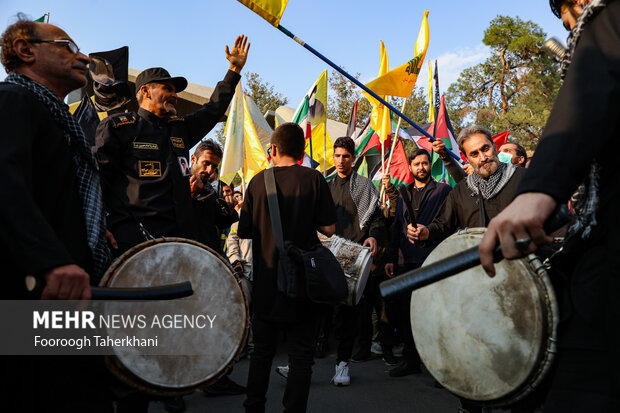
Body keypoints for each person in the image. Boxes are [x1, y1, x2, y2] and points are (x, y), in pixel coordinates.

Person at [480, 0, 620, 411]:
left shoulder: (607, 21)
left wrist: (536, 192)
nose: (574, 30)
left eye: (571, 20)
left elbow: (594, 85)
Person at [0, 15, 112, 412]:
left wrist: (91, 228)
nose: (82, 57)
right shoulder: (11, 100)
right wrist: (49, 260)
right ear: (25, 50)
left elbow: (48, 192)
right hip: (36, 297)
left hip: (68, 295)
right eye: (67, 46)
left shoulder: (55, 118)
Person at [95, 35, 249, 254]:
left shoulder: (180, 129)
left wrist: (233, 70)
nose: (175, 96)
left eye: (175, 91)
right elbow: (97, 178)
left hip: (178, 244)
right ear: (145, 91)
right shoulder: (120, 128)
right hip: (132, 244)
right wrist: (99, 224)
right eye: (167, 89)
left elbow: (213, 109)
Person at [238, 122, 336, 413]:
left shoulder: (257, 182)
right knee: (301, 356)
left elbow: (244, 231)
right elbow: (329, 228)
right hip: (303, 282)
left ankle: (253, 407)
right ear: (302, 151)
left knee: (262, 353)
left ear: (274, 149)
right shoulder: (314, 179)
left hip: (267, 282)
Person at [383, 148, 452, 377]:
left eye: (424, 163)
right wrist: (391, 258)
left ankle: (440, 367)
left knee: (434, 314)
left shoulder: (443, 191)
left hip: (433, 260)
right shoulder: (404, 193)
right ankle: (410, 360)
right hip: (407, 262)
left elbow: (449, 224)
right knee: (407, 314)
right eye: (417, 164)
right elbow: (396, 229)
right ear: (410, 167)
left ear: (429, 165)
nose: (421, 167)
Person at [325, 136, 385, 386]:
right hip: (327, 255)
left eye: (345, 156)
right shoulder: (325, 186)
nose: (341, 160)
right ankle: (300, 362)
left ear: (353, 157)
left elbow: (377, 219)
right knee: (321, 311)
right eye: (337, 155)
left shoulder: (364, 185)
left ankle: (342, 364)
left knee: (348, 314)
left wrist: (372, 237)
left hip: (354, 259)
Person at [407, 125, 527, 245]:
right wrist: (427, 232)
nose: (483, 158)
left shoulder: (524, 178)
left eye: (485, 149)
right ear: (468, 158)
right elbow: (442, 225)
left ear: (494, 147)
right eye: (474, 154)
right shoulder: (461, 190)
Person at [189, 139, 238, 255]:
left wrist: (229, 210)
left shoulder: (210, 189)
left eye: (214, 166)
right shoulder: (178, 182)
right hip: (186, 253)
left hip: (210, 255)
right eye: (206, 163)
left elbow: (219, 224)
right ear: (193, 159)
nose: (210, 170)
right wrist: (190, 196)